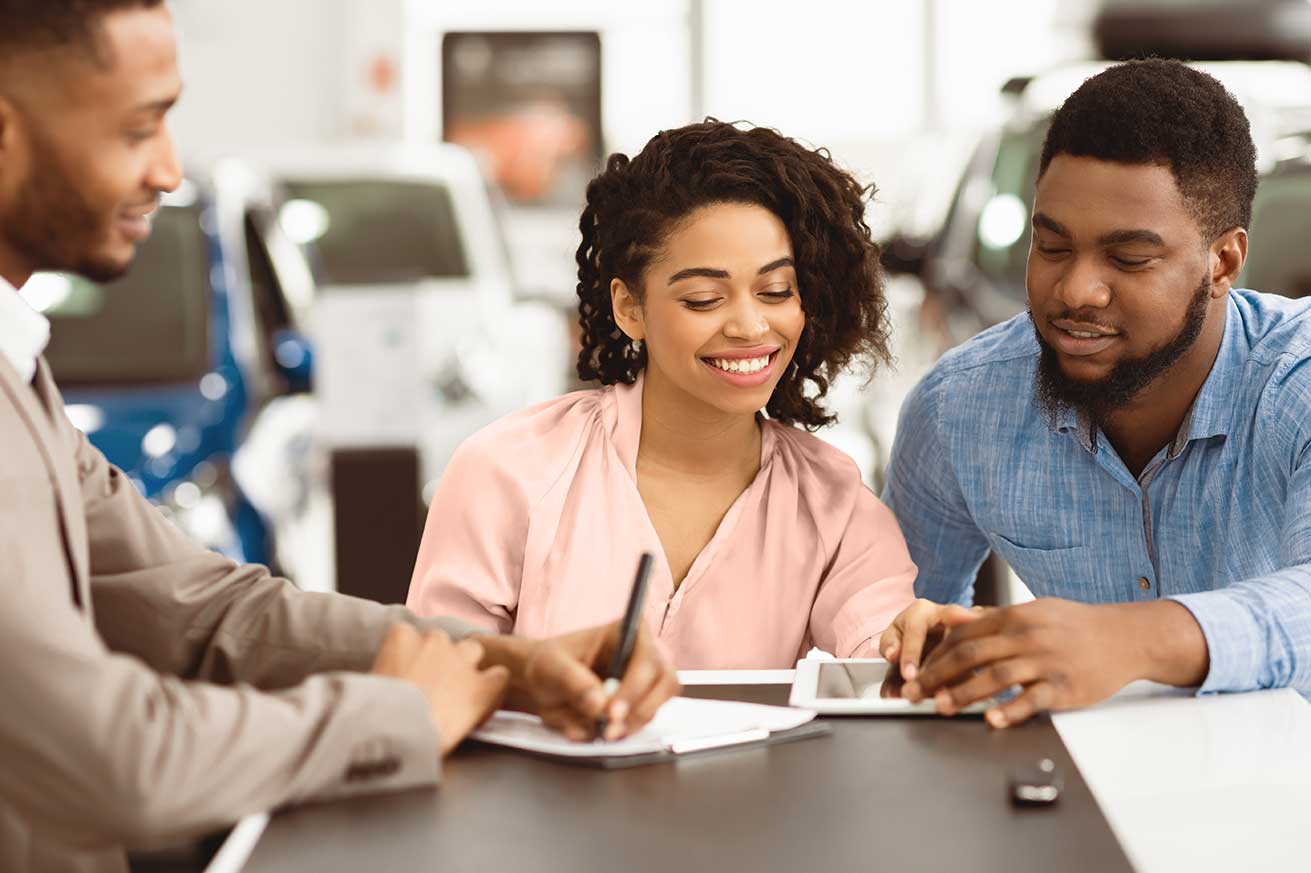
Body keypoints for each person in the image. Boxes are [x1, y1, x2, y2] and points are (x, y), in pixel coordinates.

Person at [0, 3, 677, 870]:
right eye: (139, 130)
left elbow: (203, 612)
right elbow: (113, 754)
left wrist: (502, 662)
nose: (169, 170)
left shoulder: (19, 367)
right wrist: (400, 714)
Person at [877, 59, 1311, 727]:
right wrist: (917, 637)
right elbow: (891, 628)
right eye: (1050, 246)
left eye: (1128, 258)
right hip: (1078, 799)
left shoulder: (1295, 379)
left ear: (1221, 262)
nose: (1075, 290)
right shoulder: (957, 408)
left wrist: (1129, 639)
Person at [408, 120, 917, 669]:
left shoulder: (832, 503)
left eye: (776, 292)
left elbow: (886, 660)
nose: (750, 326)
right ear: (630, 308)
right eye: (703, 299)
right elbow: (438, 682)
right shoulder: (509, 473)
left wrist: (917, 647)